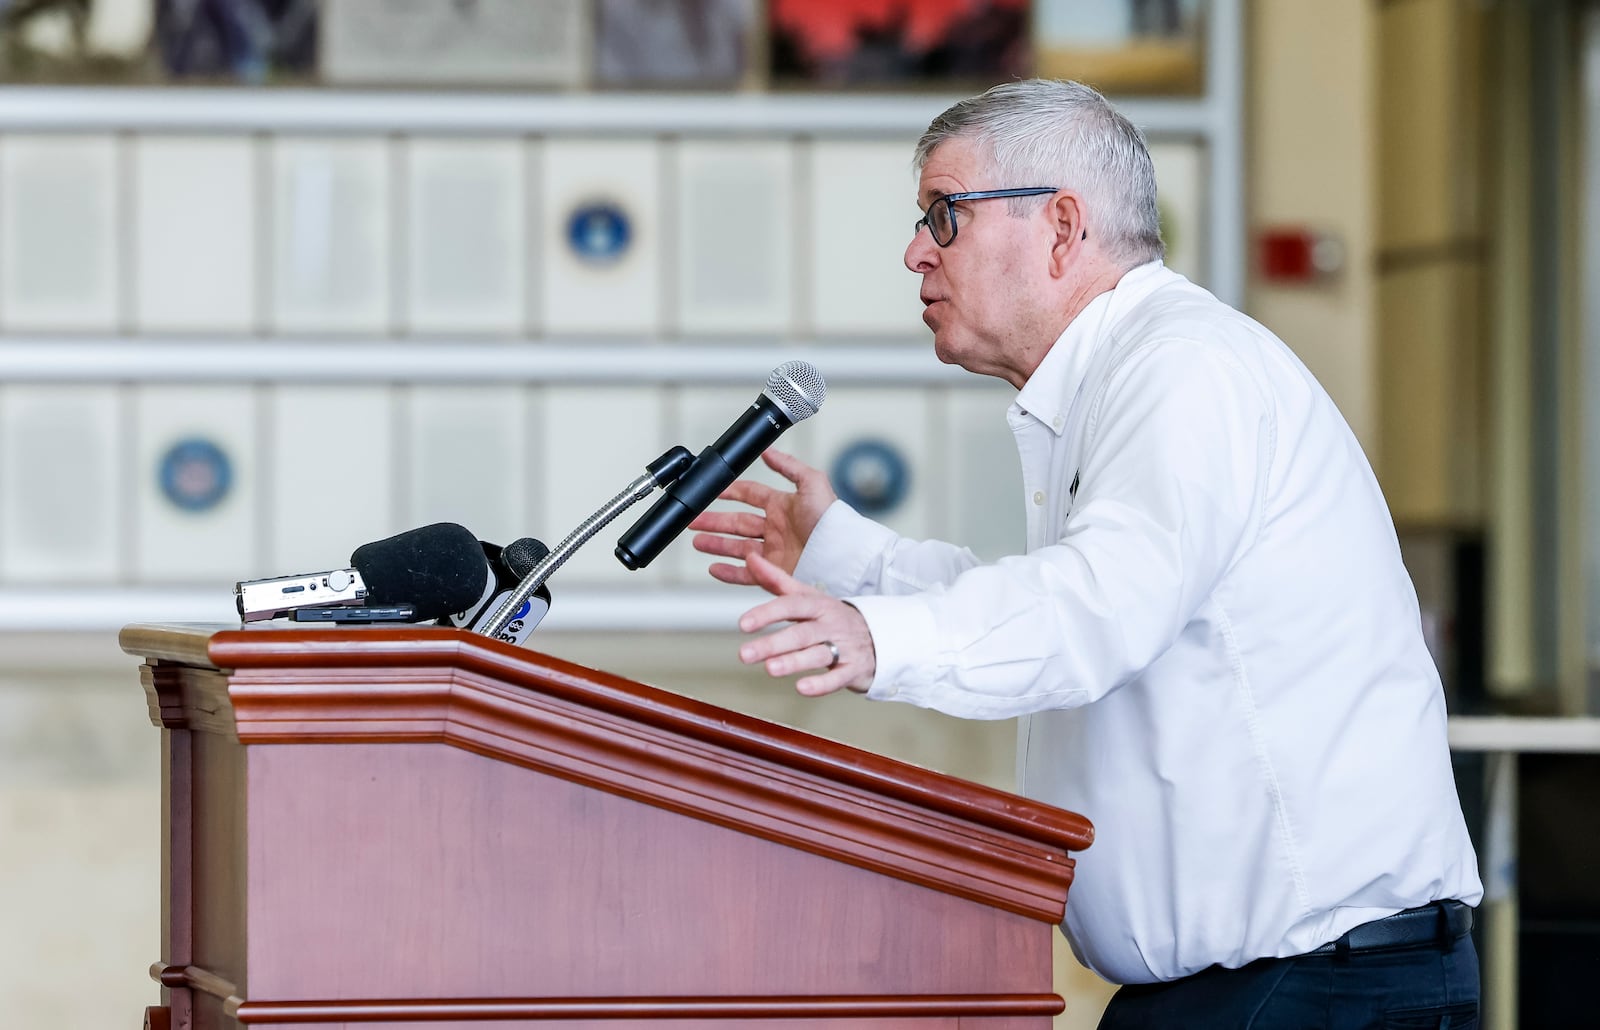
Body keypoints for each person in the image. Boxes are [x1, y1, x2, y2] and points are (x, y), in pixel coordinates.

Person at [688, 79, 1484, 1029]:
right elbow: (1069, 598)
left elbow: (1097, 608)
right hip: (1251, 990)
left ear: (1061, 226)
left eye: (943, 215)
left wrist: (880, 638)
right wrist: (843, 557)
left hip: (1315, 987)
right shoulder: (1124, 374)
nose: (914, 252)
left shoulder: (1186, 369)